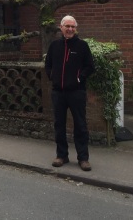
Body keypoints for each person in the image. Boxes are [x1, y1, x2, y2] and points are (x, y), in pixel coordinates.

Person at [44, 15, 95, 171]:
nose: (70, 29)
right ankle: (61, 155)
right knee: (59, 124)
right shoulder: (54, 46)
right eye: (67, 26)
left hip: (77, 92)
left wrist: (80, 78)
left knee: (80, 125)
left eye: (73, 27)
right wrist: (52, 77)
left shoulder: (82, 46)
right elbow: (48, 65)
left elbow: (90, 66)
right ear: (61, 28)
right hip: (58, 92)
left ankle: (83, 158)